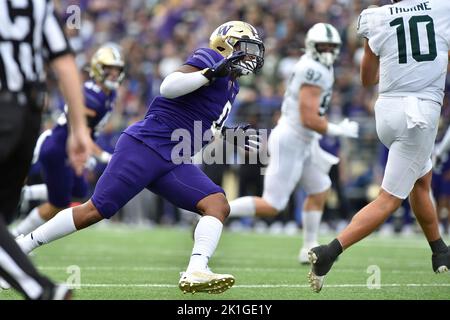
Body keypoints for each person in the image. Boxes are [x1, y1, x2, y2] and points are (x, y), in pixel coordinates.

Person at [16, 20, 265, 294]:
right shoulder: (210, 58)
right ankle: (23, 245)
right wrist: (209, 72)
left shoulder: (232, 84)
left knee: (217, 204)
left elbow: (202, 120)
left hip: (174, 158)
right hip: (146, 146)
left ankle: (196, 269)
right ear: (226, 44)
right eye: (246, 48)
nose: (252, 56)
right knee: (94, 211)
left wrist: (226, 132)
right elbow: (169, 87)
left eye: (255, 51)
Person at [308, 0, 450, 293]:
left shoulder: (378, 16)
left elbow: (366, 78)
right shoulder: (442, 8)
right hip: (419, 114)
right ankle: (329, 252)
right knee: (389, 199)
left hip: (386, 111)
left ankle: (440, 251)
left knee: (421, 181)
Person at [228, 23, 359, 263]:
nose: (329, 50)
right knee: (272, 205)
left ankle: (308, 247)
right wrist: (337, 128)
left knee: (320, 188)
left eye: (332, 46)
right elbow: (309, 117)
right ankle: (219, 211)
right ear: (312, 46)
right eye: (324, 46)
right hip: (293, 138)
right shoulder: (313, 69)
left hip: (303, 139)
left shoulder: (318, 66)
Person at [0, 0, 91, 299]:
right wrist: (78, 129)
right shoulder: (37, 5)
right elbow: (65, 63)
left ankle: (41, 290)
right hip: (29, 117)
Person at [11, 44, 125, 238]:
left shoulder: (108, 93)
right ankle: (18, 235)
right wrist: (105, 156)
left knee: (79, 190)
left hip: (70, 148)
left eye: (117, 69)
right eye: (109, 69)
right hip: (59, 148)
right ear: (98, 68)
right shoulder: (92, 97)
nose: (114, 74)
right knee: (59, 203)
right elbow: (82, 133)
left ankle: (27, 194)